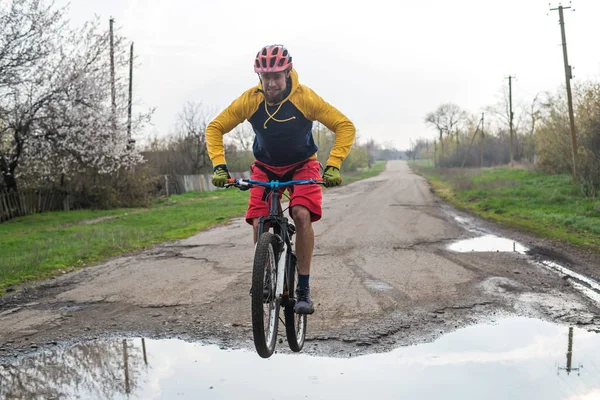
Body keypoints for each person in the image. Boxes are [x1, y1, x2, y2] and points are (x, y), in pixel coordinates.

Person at [206, 44, 355, 314]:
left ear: (288, 73)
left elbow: (344, 125)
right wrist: (219, 166)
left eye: (276, 76)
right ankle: (264, 275)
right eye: (266, 78)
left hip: (303, 166)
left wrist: (333, 165)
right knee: (258, 220)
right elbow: (215, 127)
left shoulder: (305, 98)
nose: (271, 83)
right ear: (259, 78)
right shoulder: (250, 100)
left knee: (300, 214)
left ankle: (303, 288)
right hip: (265, 167)